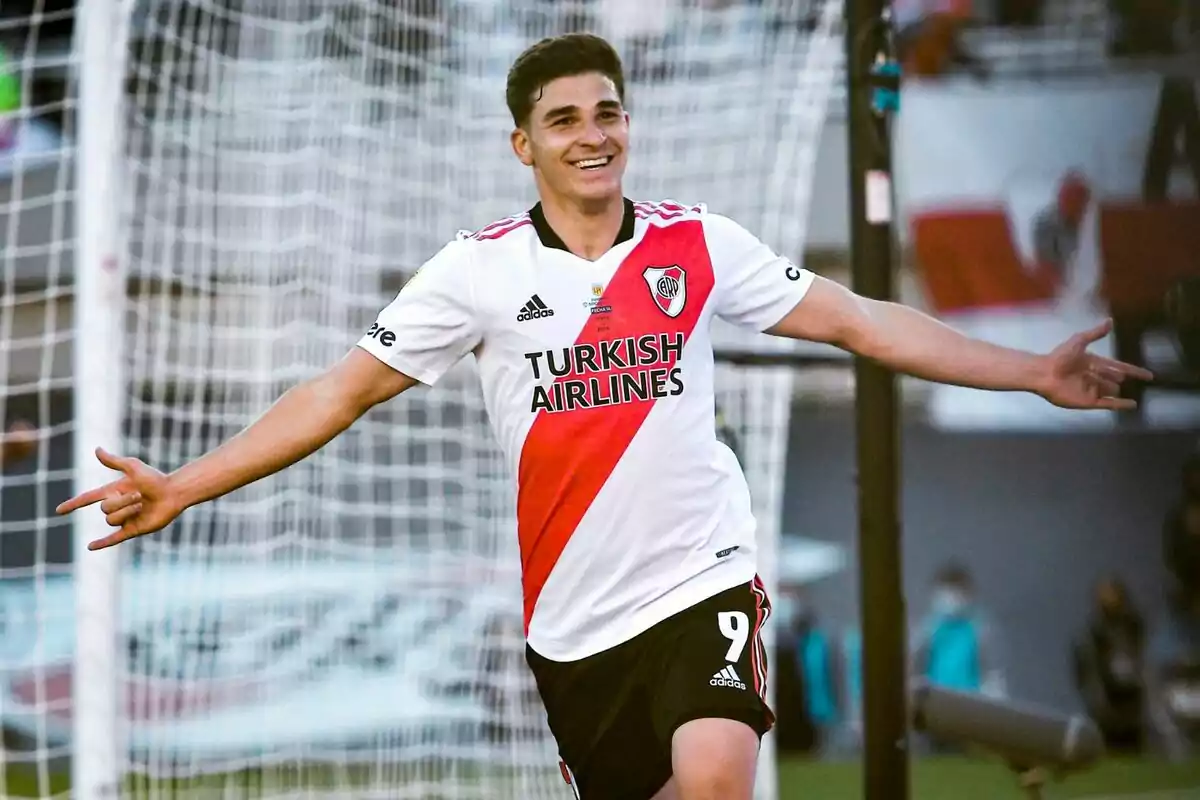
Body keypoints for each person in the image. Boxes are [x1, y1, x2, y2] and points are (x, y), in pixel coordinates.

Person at [55, 33, 1153, 800]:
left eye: (609, 112)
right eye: (565, 118)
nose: (594, 133)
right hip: (574, 627)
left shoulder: (697, 242)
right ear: (522, 144)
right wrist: (186, 482)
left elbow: (863, 321)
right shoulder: (473, 273)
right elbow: (337, 391)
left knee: (721, 770)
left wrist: (1029, 371)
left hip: (702, 579)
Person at [1072, 576, 1147, 754]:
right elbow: (1088, 676)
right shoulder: (1092, 636)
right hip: (1107, 710)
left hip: (1132, 707)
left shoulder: (1133, 629)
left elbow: (1142, 664)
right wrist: (1100, 708)